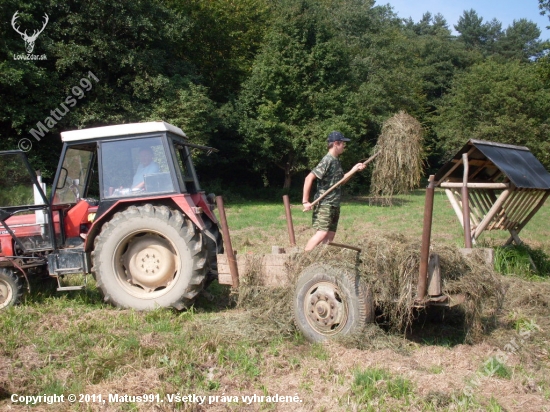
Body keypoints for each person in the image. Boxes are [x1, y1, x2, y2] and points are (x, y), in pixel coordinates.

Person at [302, 131, 365, 251]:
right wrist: (305, 201)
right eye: (343, 144)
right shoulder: (327, 160)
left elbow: (340, 182)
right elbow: (309, 178)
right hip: (325, 204)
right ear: (336, 143)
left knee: (330, 237)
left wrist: (354, 169)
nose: (344, 146)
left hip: (334, 204)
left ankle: (321, 260)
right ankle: (304, 260)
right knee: (321, 233)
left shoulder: (336, 161)